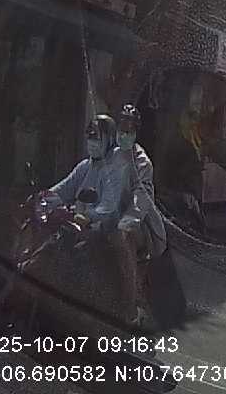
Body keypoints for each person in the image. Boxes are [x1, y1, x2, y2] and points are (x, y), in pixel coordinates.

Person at [47, 115, 139, 319]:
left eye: (96, 137)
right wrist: (42, 198)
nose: (91, 141)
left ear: (109, 139)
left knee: (121, 246)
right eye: (89, 136)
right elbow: (63, 189)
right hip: (77, 225)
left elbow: (109, 206)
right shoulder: (84, 166)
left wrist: (87, 216)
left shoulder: (117, 166)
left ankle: (130, 308)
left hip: (108, 228)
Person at [116, 104, 166, 328]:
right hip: (106, 216)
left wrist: (129, 219)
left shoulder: (142, 162)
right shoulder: (107, 154)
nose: (124, 133)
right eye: (122, 128)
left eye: (129, 129)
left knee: (123, 237)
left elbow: (141, 198)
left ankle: (132, 304)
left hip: (140, 224)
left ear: (135, 132)